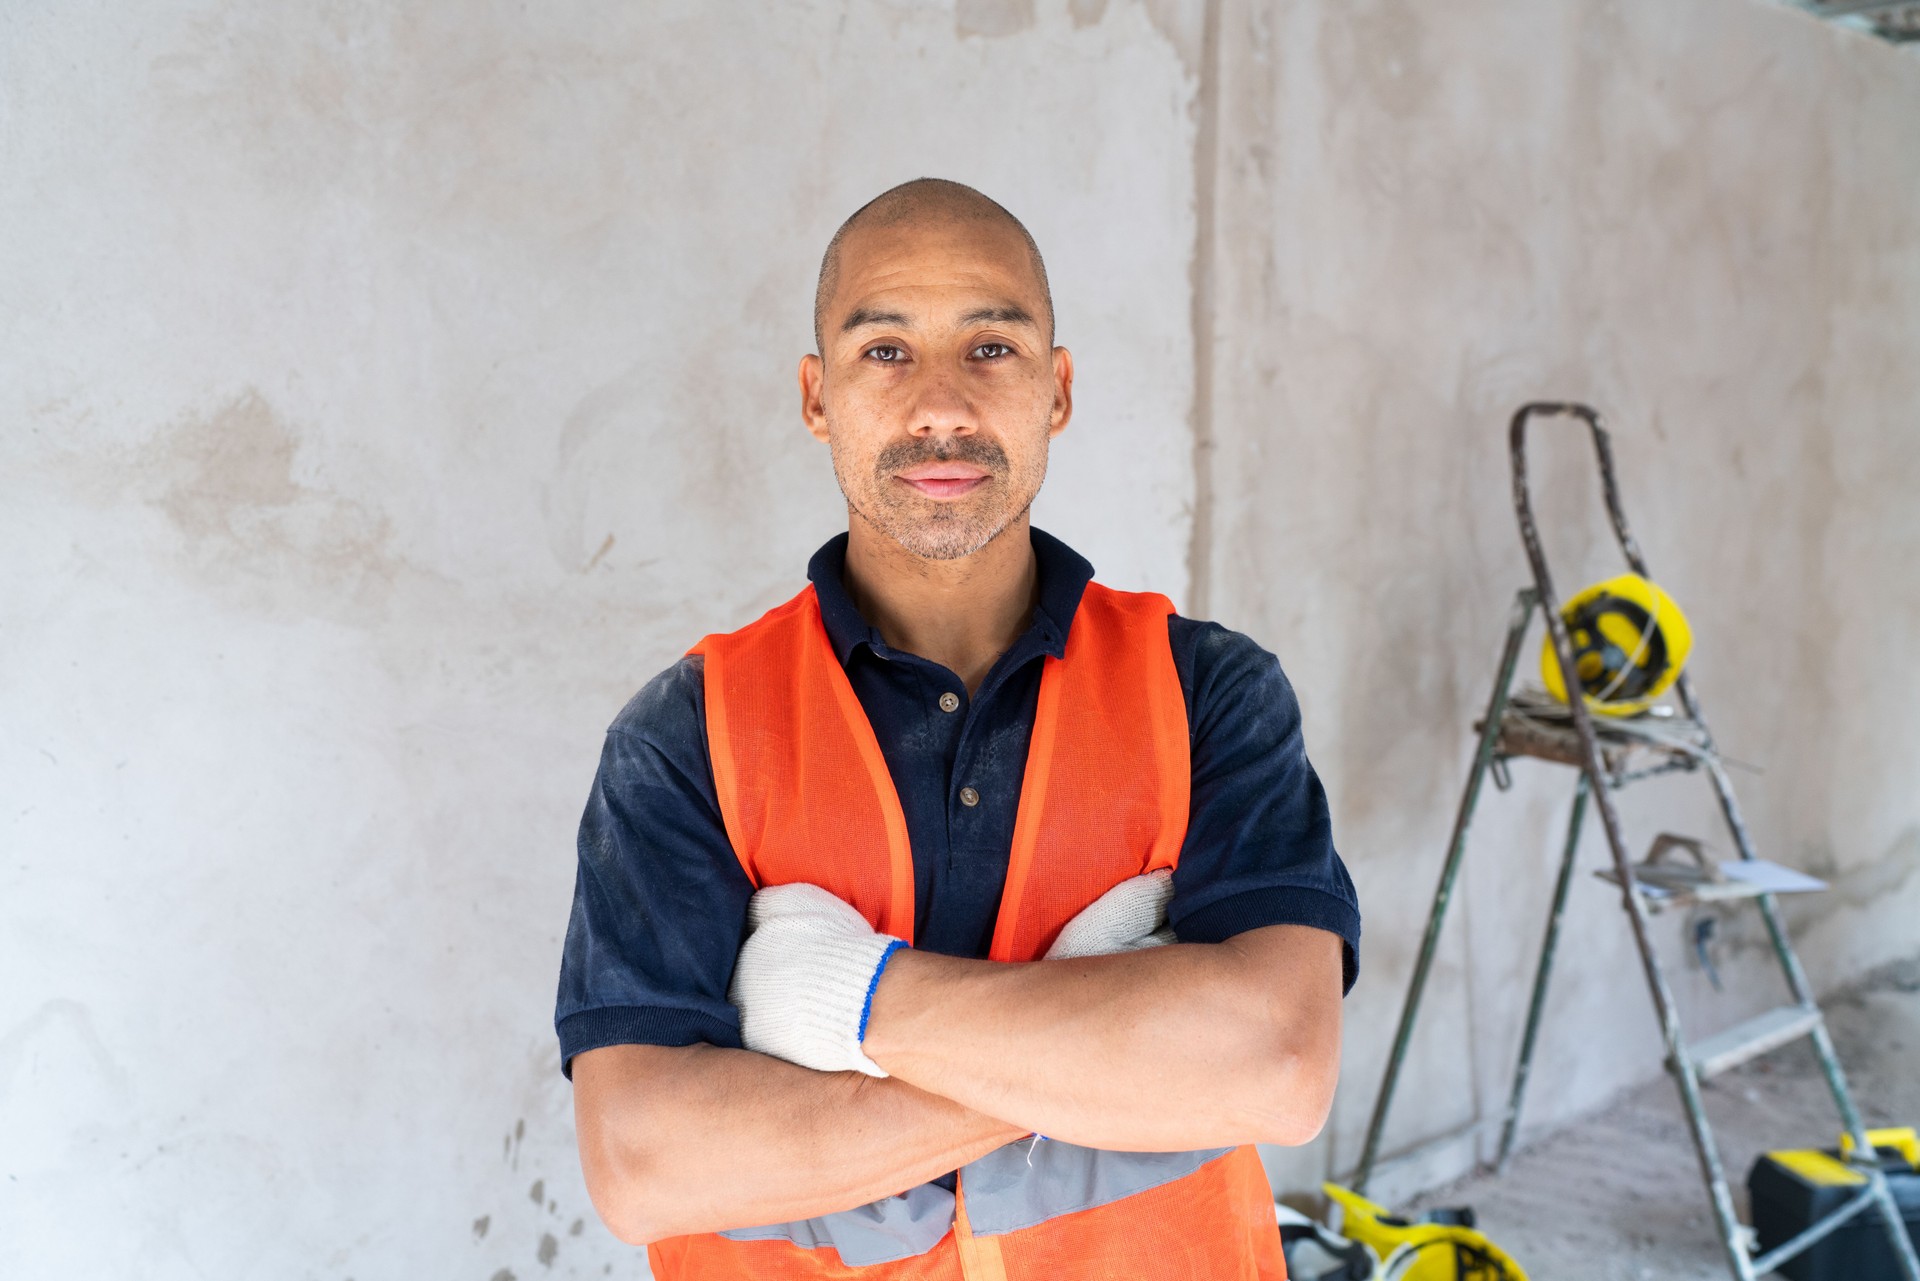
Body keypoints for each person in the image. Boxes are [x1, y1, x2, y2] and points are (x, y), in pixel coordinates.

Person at [556, 177, 1361, 1279]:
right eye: (885, 351)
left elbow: (1276, 1067)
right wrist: (1118, 1038)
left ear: (1057, 389)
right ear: (816, 396)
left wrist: (841, 1000)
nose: (942, 405)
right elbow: (646, 1166)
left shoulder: (1207, 693)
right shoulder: (690, 734)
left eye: (992, 347)